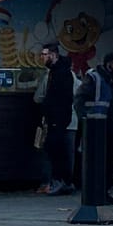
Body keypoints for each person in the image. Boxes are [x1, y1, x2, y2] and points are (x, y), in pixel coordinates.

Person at [74, 51, 113, 204]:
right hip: (95, 126)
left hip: (111, 127)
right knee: (97, 161)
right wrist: (85, 118)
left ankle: (104, 191)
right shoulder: (94, 78)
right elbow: (79, 99)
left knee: (110, 160)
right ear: (108, 65)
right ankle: (96, 192)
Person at [37, 42, 75, 196]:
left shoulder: (58, 73)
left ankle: (59, 180)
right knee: (59, 149)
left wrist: (50, 112)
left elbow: (57, 97)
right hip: (60, 116)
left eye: (44, 54)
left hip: (57, 116)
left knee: (54, 149)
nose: (42, 57)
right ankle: (65, 181)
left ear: (53, 55)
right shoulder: (60, 70)